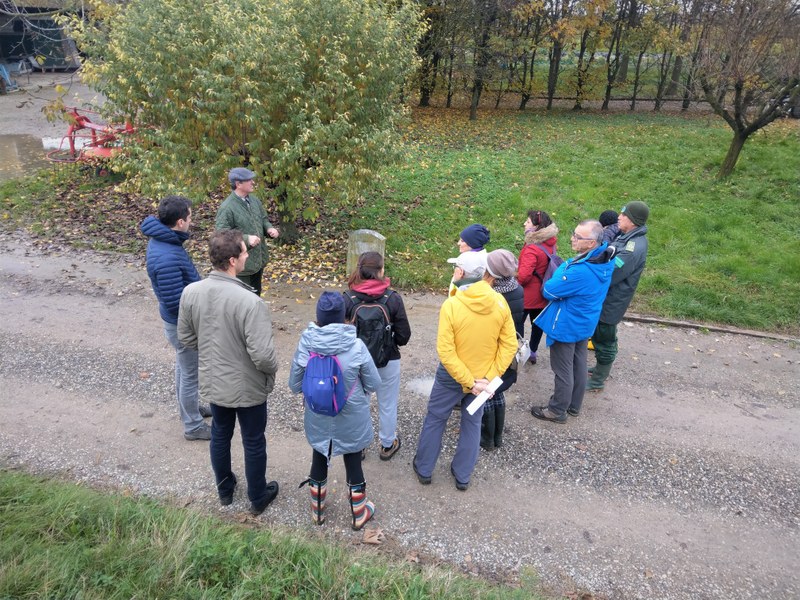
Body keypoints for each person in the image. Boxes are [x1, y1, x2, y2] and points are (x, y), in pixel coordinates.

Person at [178, 229, 280, 515]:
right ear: (233, 261)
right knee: (253, 440)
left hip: (215, 381)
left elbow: (186, 338)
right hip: (247, 385)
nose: (248, 255)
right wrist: (271, 373)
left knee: (221, 434)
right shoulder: (250, 302)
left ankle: (225, 490)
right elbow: (263, 355)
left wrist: (214, 350)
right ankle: (258, 495)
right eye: (245, 252)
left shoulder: (191, 292)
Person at [413, 253, 517, 490]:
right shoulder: (501, 304)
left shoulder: (452, 304)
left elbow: (446, 351)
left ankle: (424, 468)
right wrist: (488, 379)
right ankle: (463, 476)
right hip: (483, 378)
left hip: (452, 376)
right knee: (472, 423)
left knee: (436, 418)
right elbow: (509, 344)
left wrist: (468, 381)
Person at [289, 292, 382, 530]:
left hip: (318, 415)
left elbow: (294, 385)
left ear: (318, 317)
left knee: (319, 455)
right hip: (352, 417)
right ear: (344, 317)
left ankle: (317, 512)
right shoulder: (357, 346)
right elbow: (373, 383)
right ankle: (358, 514)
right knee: (353, 461)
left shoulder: (306, 344)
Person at [140, 195, 211, 441]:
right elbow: (174, 301)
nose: (192, 221)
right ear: (180, 222)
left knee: (184, 367)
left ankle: (190, 410)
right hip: (182, 324)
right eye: (190, 217)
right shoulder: (168, 255)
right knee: (190, 372)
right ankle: (193, 425)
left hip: (178, 322)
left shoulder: (166, 241)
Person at [530, 220, 615, 424]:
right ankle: (574, 406)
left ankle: (557, 409)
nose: (572, 239)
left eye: (578, 237)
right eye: (574, 233)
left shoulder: (579, 271)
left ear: (592, 243)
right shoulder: (604, 260)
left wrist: (564, 267)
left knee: (562, 368)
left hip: (567, 324)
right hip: (585, 321)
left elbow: (549, 290)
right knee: (578, 364)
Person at [343, 252, 411, 461]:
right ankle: (387, 444)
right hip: (388, 359)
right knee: (387, 403)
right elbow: (404, 336)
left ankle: (360, 445)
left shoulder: (347, 298)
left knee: (359, 403)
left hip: (357, 362)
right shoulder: (392, 299)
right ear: (380, 271)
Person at [587, 201, 650, 392]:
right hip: (608, 298)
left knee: (605, 338)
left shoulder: (633, 247)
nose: (619, 218)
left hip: (612, 301)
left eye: (623, 215)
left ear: (632, 220)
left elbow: (611, 273)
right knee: (599, 334)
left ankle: (598, 379)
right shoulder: (626, 237)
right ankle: (599, 368)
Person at [481, 249, 525, 451]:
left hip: (493, 350)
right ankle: (497, 436)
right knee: (497, 393)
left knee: (486, 394)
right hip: (509, 350)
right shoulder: (516, 288)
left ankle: (487, 438)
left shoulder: (494, 297)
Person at [215, 167, 280, 297]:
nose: (253, 182)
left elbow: (263, 219)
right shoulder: (227, 207)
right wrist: (245, 239)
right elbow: (221, 235)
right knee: (243, 299)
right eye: (249, 180)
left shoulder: (254, 200)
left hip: (258, 261)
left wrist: (269, 228)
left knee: (256, 296)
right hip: (241, 266)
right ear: (238, 184)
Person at [517, 210, 558, 365]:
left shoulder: (532, 248)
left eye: (527, 222)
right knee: (537, 324)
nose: (524, 224)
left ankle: (519, 350)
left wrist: (513, 274)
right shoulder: (550, 243)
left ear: (536, 226)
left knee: (517, 322)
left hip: (527, 295)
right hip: (543, 292)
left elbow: (524, 276)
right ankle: (532, 352)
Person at [447, 223, 490, 296]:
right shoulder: (484, 258)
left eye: (462, 241)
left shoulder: (473, 267)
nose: (458, 243)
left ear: (472, 243)